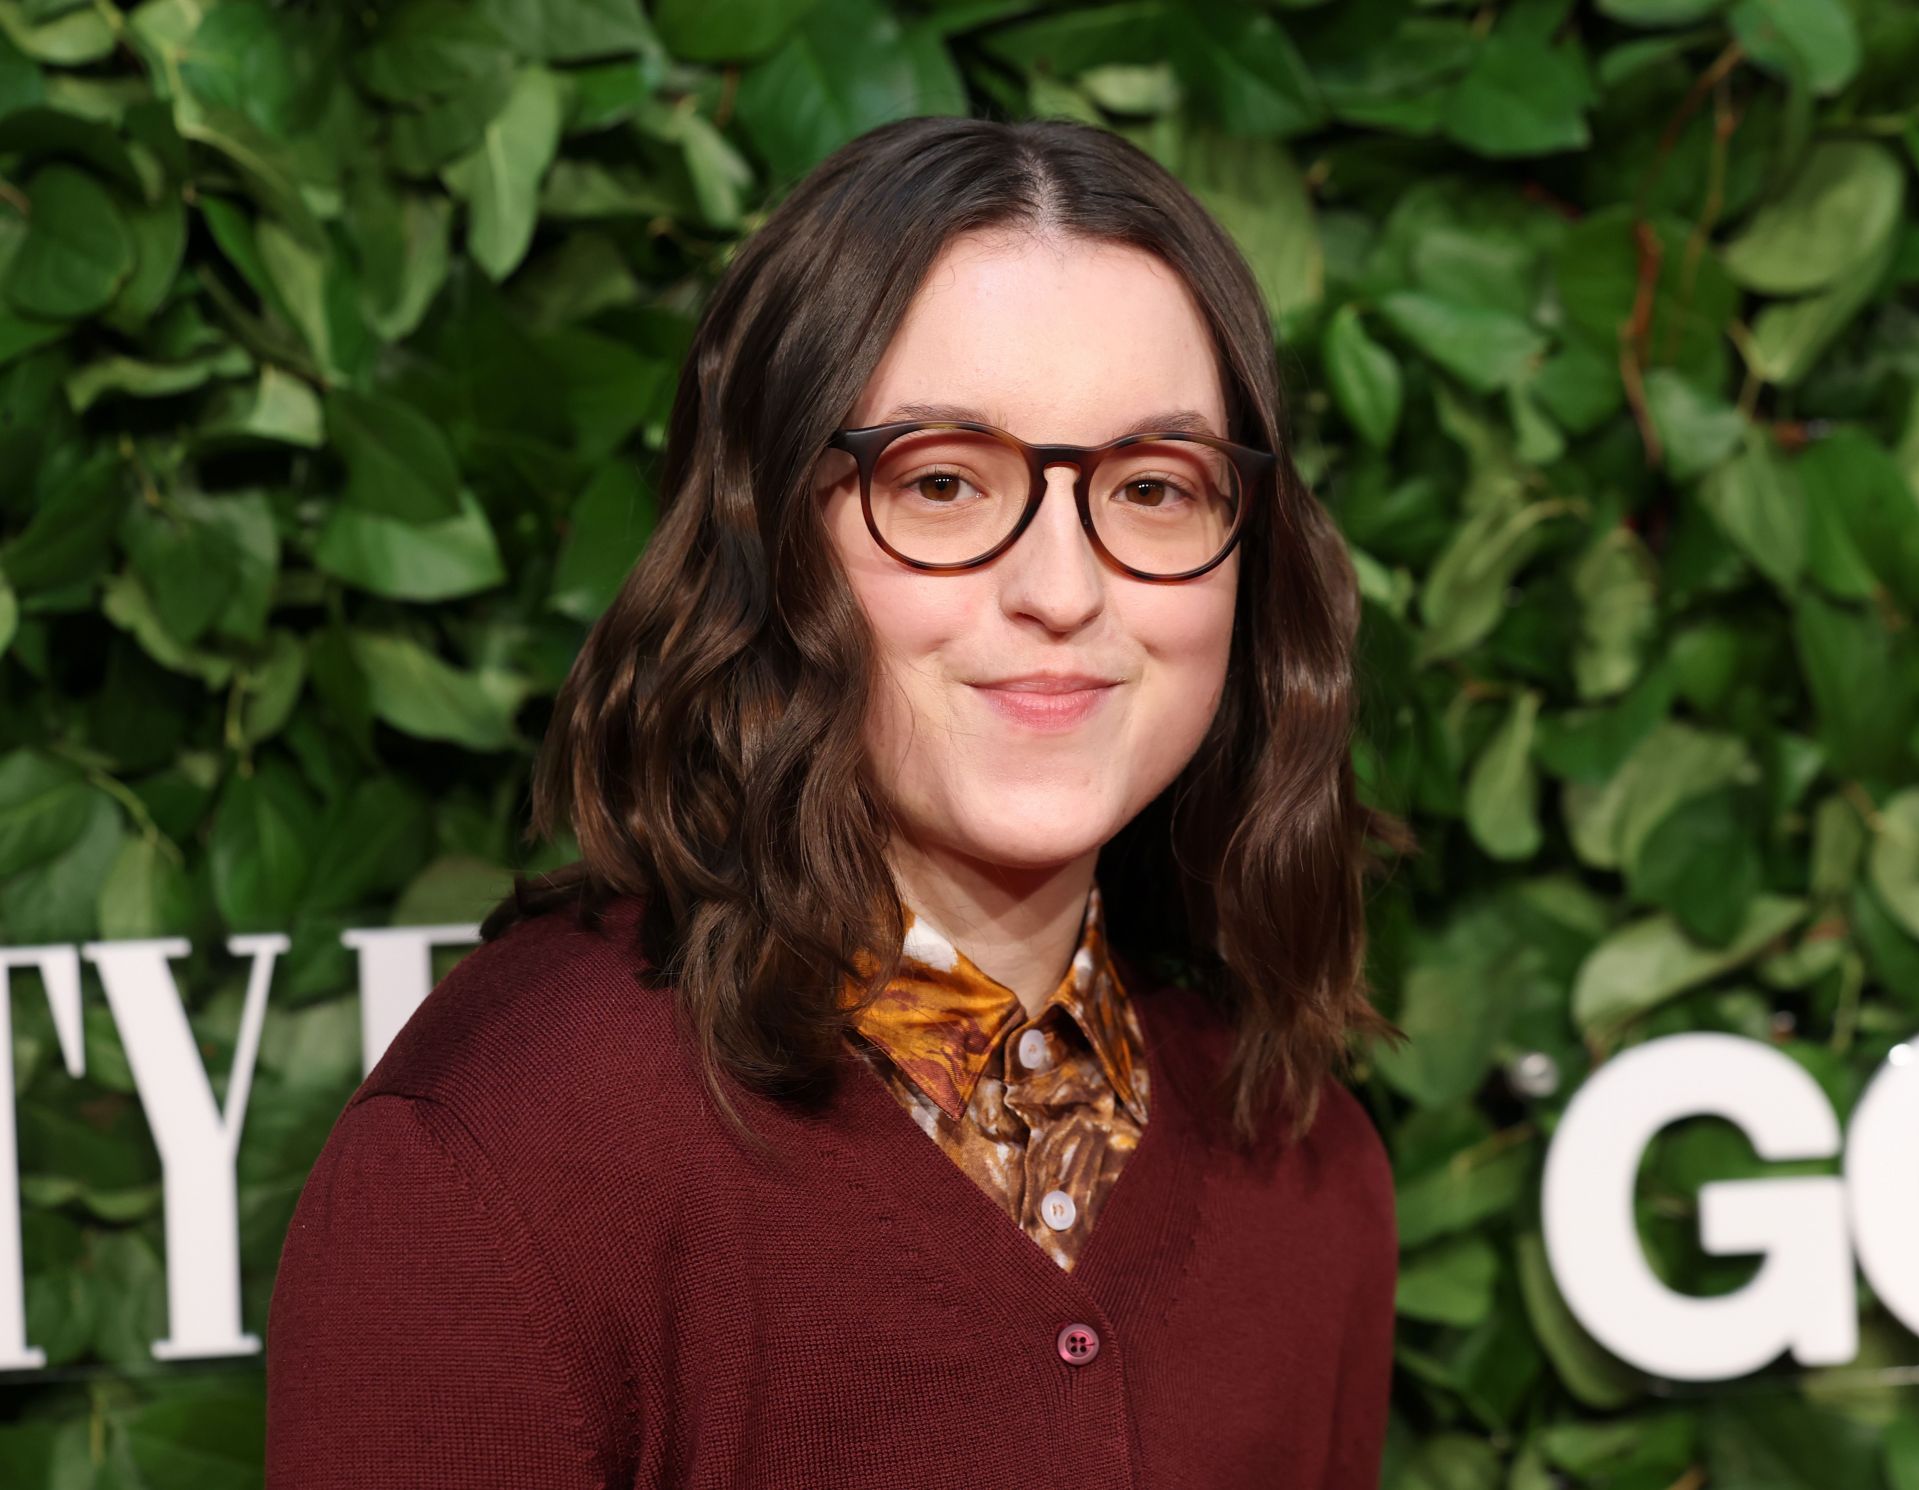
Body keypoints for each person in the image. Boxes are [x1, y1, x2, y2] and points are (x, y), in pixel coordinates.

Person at [264, 114, 1413, 1489]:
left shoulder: (1303, 1168)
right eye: (940, 482)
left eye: (1154, 488)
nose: (1062, 588)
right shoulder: (503, 1165)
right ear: (763, 530)